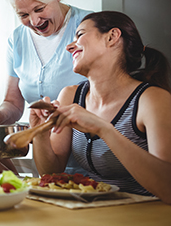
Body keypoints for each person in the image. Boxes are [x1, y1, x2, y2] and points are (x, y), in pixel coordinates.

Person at [10, 11, 171, 203]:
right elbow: (50, 172)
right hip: (93, 212)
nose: (70, 46)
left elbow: (167, 188)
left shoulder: (152, 99)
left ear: (112, 37)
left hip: (147, 218)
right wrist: (41, 134)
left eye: (80, 35)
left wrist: (103, 129)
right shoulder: (70, 96)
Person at [0, 0, 91, 174]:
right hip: (46, 159)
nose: (35, 21)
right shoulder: (17, 39)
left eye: (40, 9)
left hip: (92, 158)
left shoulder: (88, 26)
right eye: (23, 15)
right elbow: (14, 102)